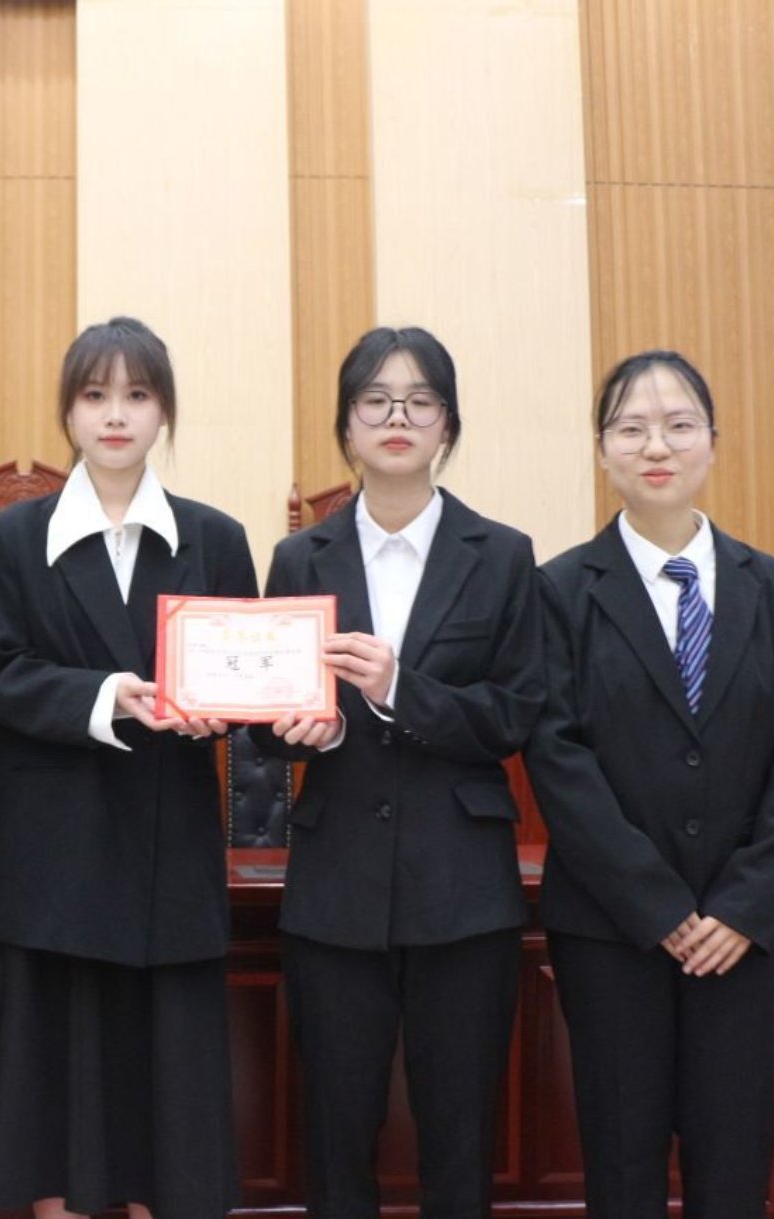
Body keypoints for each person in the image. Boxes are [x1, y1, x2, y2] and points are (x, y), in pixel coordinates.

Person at [524, 351, 774, 1218]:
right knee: (621, 1154)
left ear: (712, 442)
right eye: (630, 428)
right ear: (601, 450)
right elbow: (556, 754)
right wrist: (655, 903)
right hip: (610, 925)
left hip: (736, 928)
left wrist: (743, 903)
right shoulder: (559, 590)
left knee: (732, 1151)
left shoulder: (771, 588)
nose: (655, 445)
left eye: (677, 424)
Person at [0, 316, 254, 1219]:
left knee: (163, 1097)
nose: (115, 415)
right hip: (59, 851)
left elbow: (247, 672)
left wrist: (226, 706)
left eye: (136, 395)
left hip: (170, 851)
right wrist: (105, 696)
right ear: (68, 412)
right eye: (95, 396)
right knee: (55, 1092)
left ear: (163, 411)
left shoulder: (214, 537)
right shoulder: (14, 538)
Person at [259, 325, 544, 1218]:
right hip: (335, 882)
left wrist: (397, 689)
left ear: (446, 426)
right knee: (334, 1128)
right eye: (375, 400)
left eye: (420, 402)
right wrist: (302, 732)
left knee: (458, 1128)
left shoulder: (501, 554)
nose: (397, 417)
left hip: (461, 887)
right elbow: (266, 724)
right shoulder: (299, 558)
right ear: (345, 425)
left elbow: (514, 713)